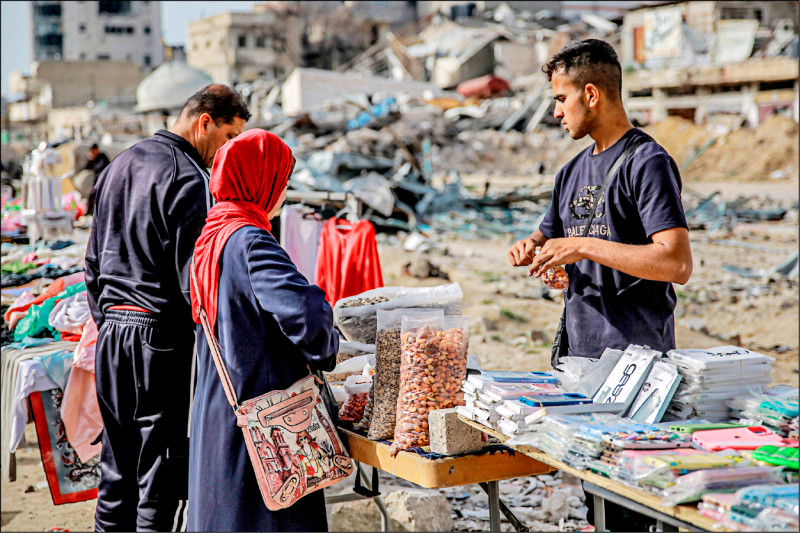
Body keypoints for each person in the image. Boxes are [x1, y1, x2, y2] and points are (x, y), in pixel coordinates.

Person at [507, 39, 693, 531]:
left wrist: (583, 246)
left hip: (639, 369)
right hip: (582, 363)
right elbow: (548, 237)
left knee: (637, 508)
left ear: (592, 94)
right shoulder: (571, 171)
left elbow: (675, 262)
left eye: (560, 98)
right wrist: (536, 252)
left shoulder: (646, 162)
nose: (554, 112)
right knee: (599, 504)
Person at [85, 84, 250, 532]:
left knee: (116, 472)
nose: (228, 152)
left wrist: (109, 324)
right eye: (230, 137)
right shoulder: (189, 176)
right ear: (205, 123)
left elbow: (93, 264)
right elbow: (194, 284)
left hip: (112, 336)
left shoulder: (119, 164)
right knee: (158, 479)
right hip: (157, 340)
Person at [187, 129, 338, 532]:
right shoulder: (251, 241)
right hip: (263, 425)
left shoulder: (212, 236)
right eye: (283, 183)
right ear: (262, 180)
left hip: (220, 413)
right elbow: (307, 316)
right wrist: (328, 345)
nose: (284, 193)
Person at [84, 144, 110, 215]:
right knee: (92, 196)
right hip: (97, 180)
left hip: (104, 180)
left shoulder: (103, 156)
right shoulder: (93, 158)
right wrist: (90, 159)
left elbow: (102, 167)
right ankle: (89, 212)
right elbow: (87, 168)